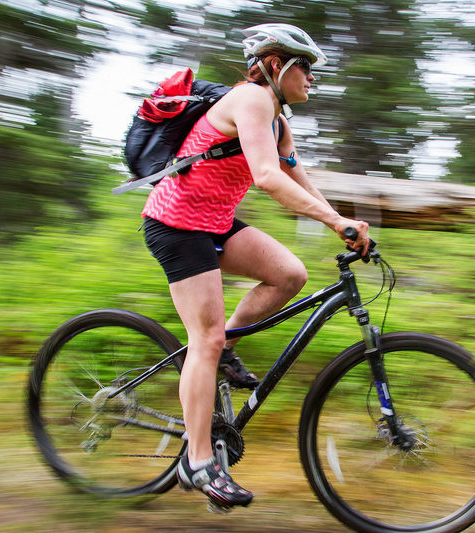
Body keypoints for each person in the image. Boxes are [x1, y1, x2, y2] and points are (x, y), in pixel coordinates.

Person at [140, 23, 370, 510]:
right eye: (304, 67)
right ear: (274, 64)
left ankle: (221, 353)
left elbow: (293, 172)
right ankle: (197, 462)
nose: (312, 78)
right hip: (177, 225)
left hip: (214, 223)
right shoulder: (251, 100)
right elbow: (265, 177)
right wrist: (334, 220)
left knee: (290, 274)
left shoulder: (278, 119)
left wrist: (339, 223)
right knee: (205, 338)